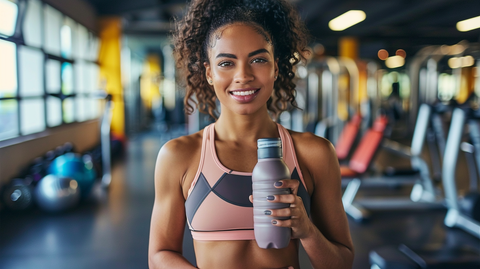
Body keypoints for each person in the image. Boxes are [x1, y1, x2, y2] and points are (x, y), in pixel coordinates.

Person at [148, 0, 354, 268]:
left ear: (276, 68)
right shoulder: (178, 156)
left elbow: (343, 262)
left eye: (258, 60)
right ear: (209, 72)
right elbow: (159, 254)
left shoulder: (314, 154)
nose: (243, 75)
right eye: (226, 63)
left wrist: (307, 231)